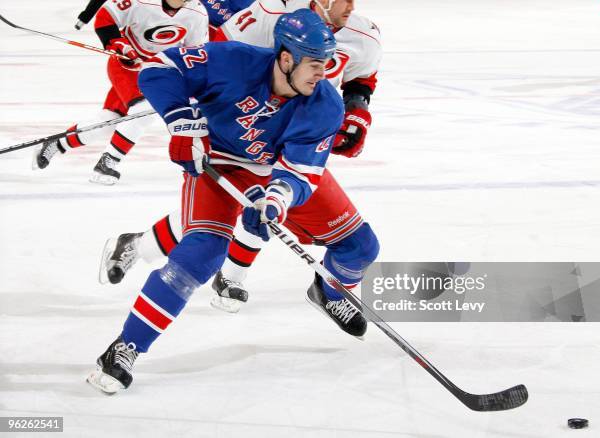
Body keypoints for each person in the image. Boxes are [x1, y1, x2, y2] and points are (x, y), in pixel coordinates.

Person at [87, 9, 378, 394]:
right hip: (218, 161)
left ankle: (329, 291)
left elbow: (302, 173)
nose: (322, 73)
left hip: (275, 167)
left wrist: (275, 201)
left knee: (361, 246)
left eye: (325, 63)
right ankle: (126, 347)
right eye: (313, 63)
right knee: (202, 255)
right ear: (286, 57)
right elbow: (159, 65)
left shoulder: (325, 104)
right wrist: (181, 121)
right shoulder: (233, 60)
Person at [32, 0, 209, 185]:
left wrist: (192, 83)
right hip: (127, 66)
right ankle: (109, 161)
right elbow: (105, 16)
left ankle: (57, 143)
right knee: (143, 110)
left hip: (157, 71)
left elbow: (194, 54)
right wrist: (118, 44)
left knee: (110, 120)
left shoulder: (197, 13)